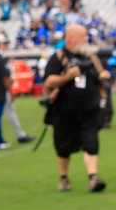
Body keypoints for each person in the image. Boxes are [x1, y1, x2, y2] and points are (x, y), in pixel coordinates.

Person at [42, 23, 111, 193]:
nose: (86, 40)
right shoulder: (58, 57)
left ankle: (93, 177)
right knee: (63, 147)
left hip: (89, 110)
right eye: (83, 37)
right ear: (71, 38)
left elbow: (101, 74)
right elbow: (49, 82)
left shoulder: (91, 57)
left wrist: (104, 76)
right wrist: (67, 77)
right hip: (64, 111)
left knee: (91, 143)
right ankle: (63, 178)